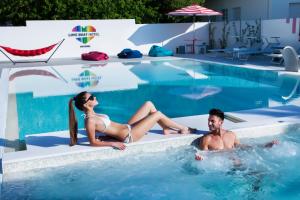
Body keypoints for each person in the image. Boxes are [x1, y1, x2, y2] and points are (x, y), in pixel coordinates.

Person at [69, 91, 196, 150]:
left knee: (149, 104)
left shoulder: (93, 114)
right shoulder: (89, 120)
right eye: (91, 97)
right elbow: (93, 142)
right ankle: (184, 128)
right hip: (129, 135)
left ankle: (166, 129)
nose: (94, 97)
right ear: (86, 104)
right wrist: (113, 143)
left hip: (127, 127)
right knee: (157, 114)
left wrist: (109, 136)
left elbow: (104, 129)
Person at [195, 108, 279, 160]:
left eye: (212, 121)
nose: (209, 123)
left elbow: (242, 147)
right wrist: (201, 158)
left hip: (237, 164)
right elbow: (205, 155)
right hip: (224, 169)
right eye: (208, 120)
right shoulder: (207, 139)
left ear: (221, 122)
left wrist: (264, 146)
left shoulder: (231, 135)